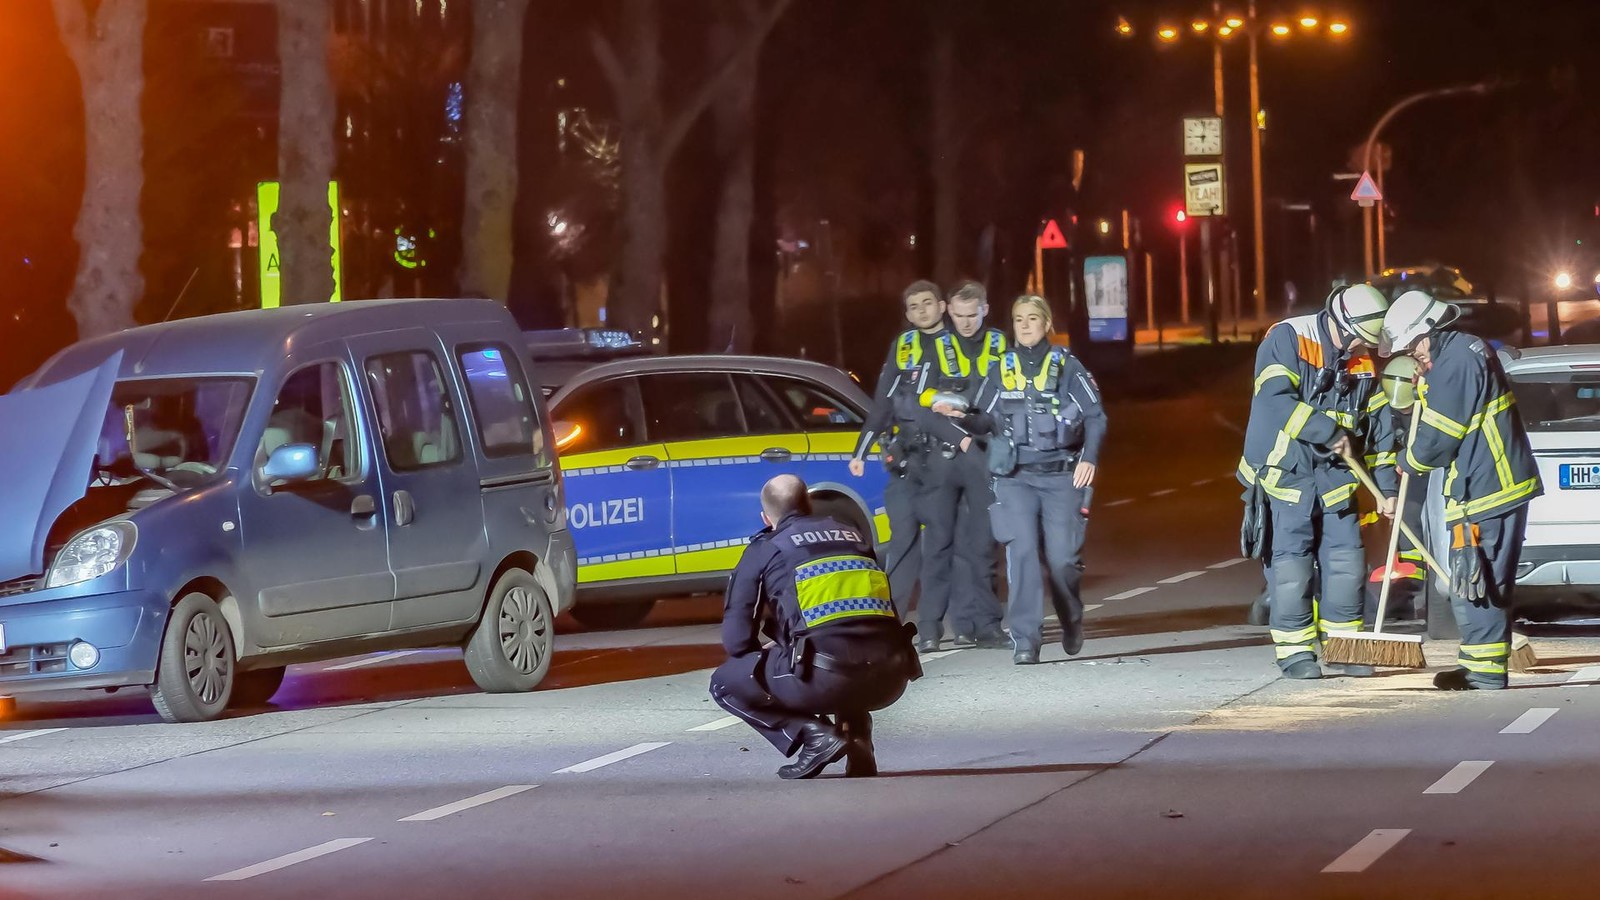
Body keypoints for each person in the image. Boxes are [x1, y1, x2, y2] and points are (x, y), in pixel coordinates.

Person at [1379, 289, 1541, 690]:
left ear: (1426, 333)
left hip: (1487, 489)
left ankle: (1485, 672)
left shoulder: (1455, 363)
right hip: (1485, 485)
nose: (1414, 357)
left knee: (1476, 579)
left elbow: (1438, 438)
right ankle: (1476, 665)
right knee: (1477, 581)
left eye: (1412, 349)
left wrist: (1406, 462)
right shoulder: (1460, 353)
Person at [708, 475, 919, 779]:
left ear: (766, 518)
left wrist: (774, 656)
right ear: (808, 504)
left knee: (725, 683)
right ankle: (857, 738)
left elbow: (737, 642)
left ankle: (813, 736)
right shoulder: (853, 535)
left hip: (827, 678)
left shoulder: (767, 548)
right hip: (891, 676)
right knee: (844, 640)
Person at [1238, 283, 1394, 680]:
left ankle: (1345, 649)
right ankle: (1295, 654)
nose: (1363, 349)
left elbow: (1379, 428)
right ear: (1343, 325)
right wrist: (1327, 431)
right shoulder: (1288, 338)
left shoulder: (1361, 359)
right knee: (1292, 568)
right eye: (1361, 340)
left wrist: (1387, 490)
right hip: (1286, 476)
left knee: (1347, 564)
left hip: (1336, 479)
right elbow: (1275, 400)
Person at [967, 295, 1106, 665]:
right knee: (1022, 552)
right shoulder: (1000, 368)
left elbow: (1095, 416)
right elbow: (982, 419)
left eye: (1032, 318)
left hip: (1061, 476)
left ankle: (1071, 617)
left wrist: (1089, 458)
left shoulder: (1068, 366)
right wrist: (960, 415)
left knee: (1063, 561)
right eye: (1018, 319)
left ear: (1046, 324)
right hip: (1015, 478)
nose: (1025, 325)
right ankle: (1026, 639)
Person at [914, 280, 1010, 651]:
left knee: (983, 546)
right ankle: (929, 629)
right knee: (938, 545)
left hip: (984, 457)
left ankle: (987, 626)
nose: (966, 323)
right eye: (959, 315)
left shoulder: (1001, 345)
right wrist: (961, 438)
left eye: (972, 315)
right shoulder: (936, 347)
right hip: (944, 458)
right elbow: (922, 409)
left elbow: (1008, 401)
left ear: (985, 310)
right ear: (949, 312)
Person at [848, 280, 948, 616]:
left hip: (947, 462)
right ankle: (891, 620)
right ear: (908, 314)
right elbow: (883, 404)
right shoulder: (903, 346)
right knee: (902, 538)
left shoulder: (958, 345)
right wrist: (861, 452)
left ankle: (936, 623)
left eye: (927, 303)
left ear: (942, 306)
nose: (922, 311)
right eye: (914, 306)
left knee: (943, 544)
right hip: (907, 460)